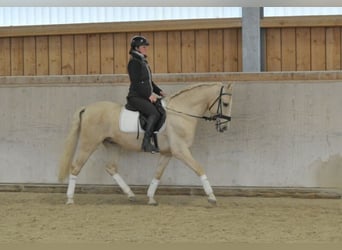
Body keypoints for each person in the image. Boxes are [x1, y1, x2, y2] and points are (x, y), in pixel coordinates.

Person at [126, 35, 166, 153]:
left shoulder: (143, 62)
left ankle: (155, 140)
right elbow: (137, 82)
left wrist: (159, 91)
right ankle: (146, 143)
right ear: (137, 48)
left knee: (160, 110)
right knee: (154, 113)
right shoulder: (134, 63)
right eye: (144, 47)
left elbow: (149, 82)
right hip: (136, 97)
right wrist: (148, 96)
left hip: (143, 96)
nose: (146, 49)